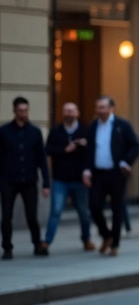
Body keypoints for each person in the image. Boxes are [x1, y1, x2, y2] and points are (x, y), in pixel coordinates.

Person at [82, 96, 139, 256]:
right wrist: (86, 170)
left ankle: (115, 243)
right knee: (94, 206)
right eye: (97, 107)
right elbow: (89, 151)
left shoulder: (122, 125)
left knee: (117, 208)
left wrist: (126, 162)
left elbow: (135, 145)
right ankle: (106, 234)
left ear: (111, 108)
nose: (99, 111)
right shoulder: (94, 126)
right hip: (98, 173)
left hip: (117, 173)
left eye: (102, 107)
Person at [0, 97, 51, 259]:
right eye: (21, 111)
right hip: (8, 180)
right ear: (14, 111)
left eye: (26, 110)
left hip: (29, 179)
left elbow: (42, 159)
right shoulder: (4, 131)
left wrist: (46, 183)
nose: (24, 113)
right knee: (7, 215)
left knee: (32, 215)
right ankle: (7, 247)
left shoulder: (35, 132)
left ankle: (37, 244)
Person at [44, 102, 94, 251]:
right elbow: (47, 150)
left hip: (79, 179)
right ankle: (46, 242)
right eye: (66, 111)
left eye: (72, 111)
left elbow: (92, 154)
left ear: (77, 113)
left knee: (84, 212)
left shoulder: (85, 131)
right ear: (63, 113)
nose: (69, 114)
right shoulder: (56, 131)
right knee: (56, 211)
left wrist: (86, 144)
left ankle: (86, 239)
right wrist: (64, 150)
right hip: (60, 179)